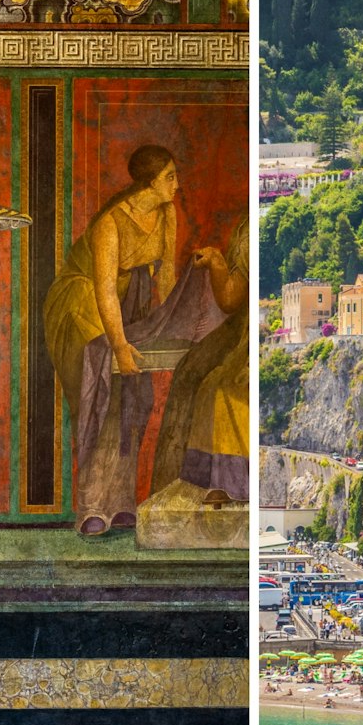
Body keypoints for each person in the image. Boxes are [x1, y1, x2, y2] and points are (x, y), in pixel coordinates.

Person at [43, 145, 182, 535]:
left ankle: (120, 503)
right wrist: (119, 346)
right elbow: (104, 290)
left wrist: (170, 325)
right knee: (100, 398)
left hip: (130, 304)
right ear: (151, 181)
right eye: (170, 176)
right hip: (83, 308)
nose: (177, 183)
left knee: (134, 398)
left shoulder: (167, 213)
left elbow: (166, 274)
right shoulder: (111, 223)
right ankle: (91, 508)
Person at [151, 214, 249, 504]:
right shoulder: (247, 228)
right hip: (241, 337)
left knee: (223, 393)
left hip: (246, 342)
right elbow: (232, 298)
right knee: (209, 389)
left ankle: (233, 483)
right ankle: (214, 481)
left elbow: (231, 299)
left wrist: (217, 263)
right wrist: (218, 264)